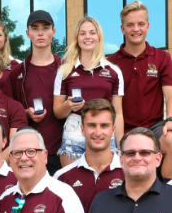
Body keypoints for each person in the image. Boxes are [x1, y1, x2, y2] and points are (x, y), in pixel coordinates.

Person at [107, 0, 172, 180]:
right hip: (123, 129)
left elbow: (171, 93)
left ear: (148, 26)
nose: (136, 29)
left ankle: (167, 192)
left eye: (141, 24)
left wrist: (171, 120)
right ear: (122, 29)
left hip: (155, 127)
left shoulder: (162, 58)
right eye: (130, 25)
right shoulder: (110, 63)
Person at [53, 17, 124, 167]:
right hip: (75, 128)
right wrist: (68, 106)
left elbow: (117, 112)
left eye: (92, 33)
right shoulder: (65, 71)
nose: (87, 37)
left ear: (99, 37)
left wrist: (120, 146)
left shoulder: (114, 71)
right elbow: (58, 111)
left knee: (106, 182)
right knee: (74, 183)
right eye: (83, 33)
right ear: (77, 38)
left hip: (104, 130)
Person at [5, 10, 65, 175]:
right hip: (28, 153)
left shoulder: (66, 68)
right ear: (28, 33)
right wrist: (25, 114)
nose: (40, 32)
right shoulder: (17, 73)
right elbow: (8, 113)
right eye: (35, 28)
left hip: (61, 152)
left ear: (53, 32)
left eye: (45, 28)